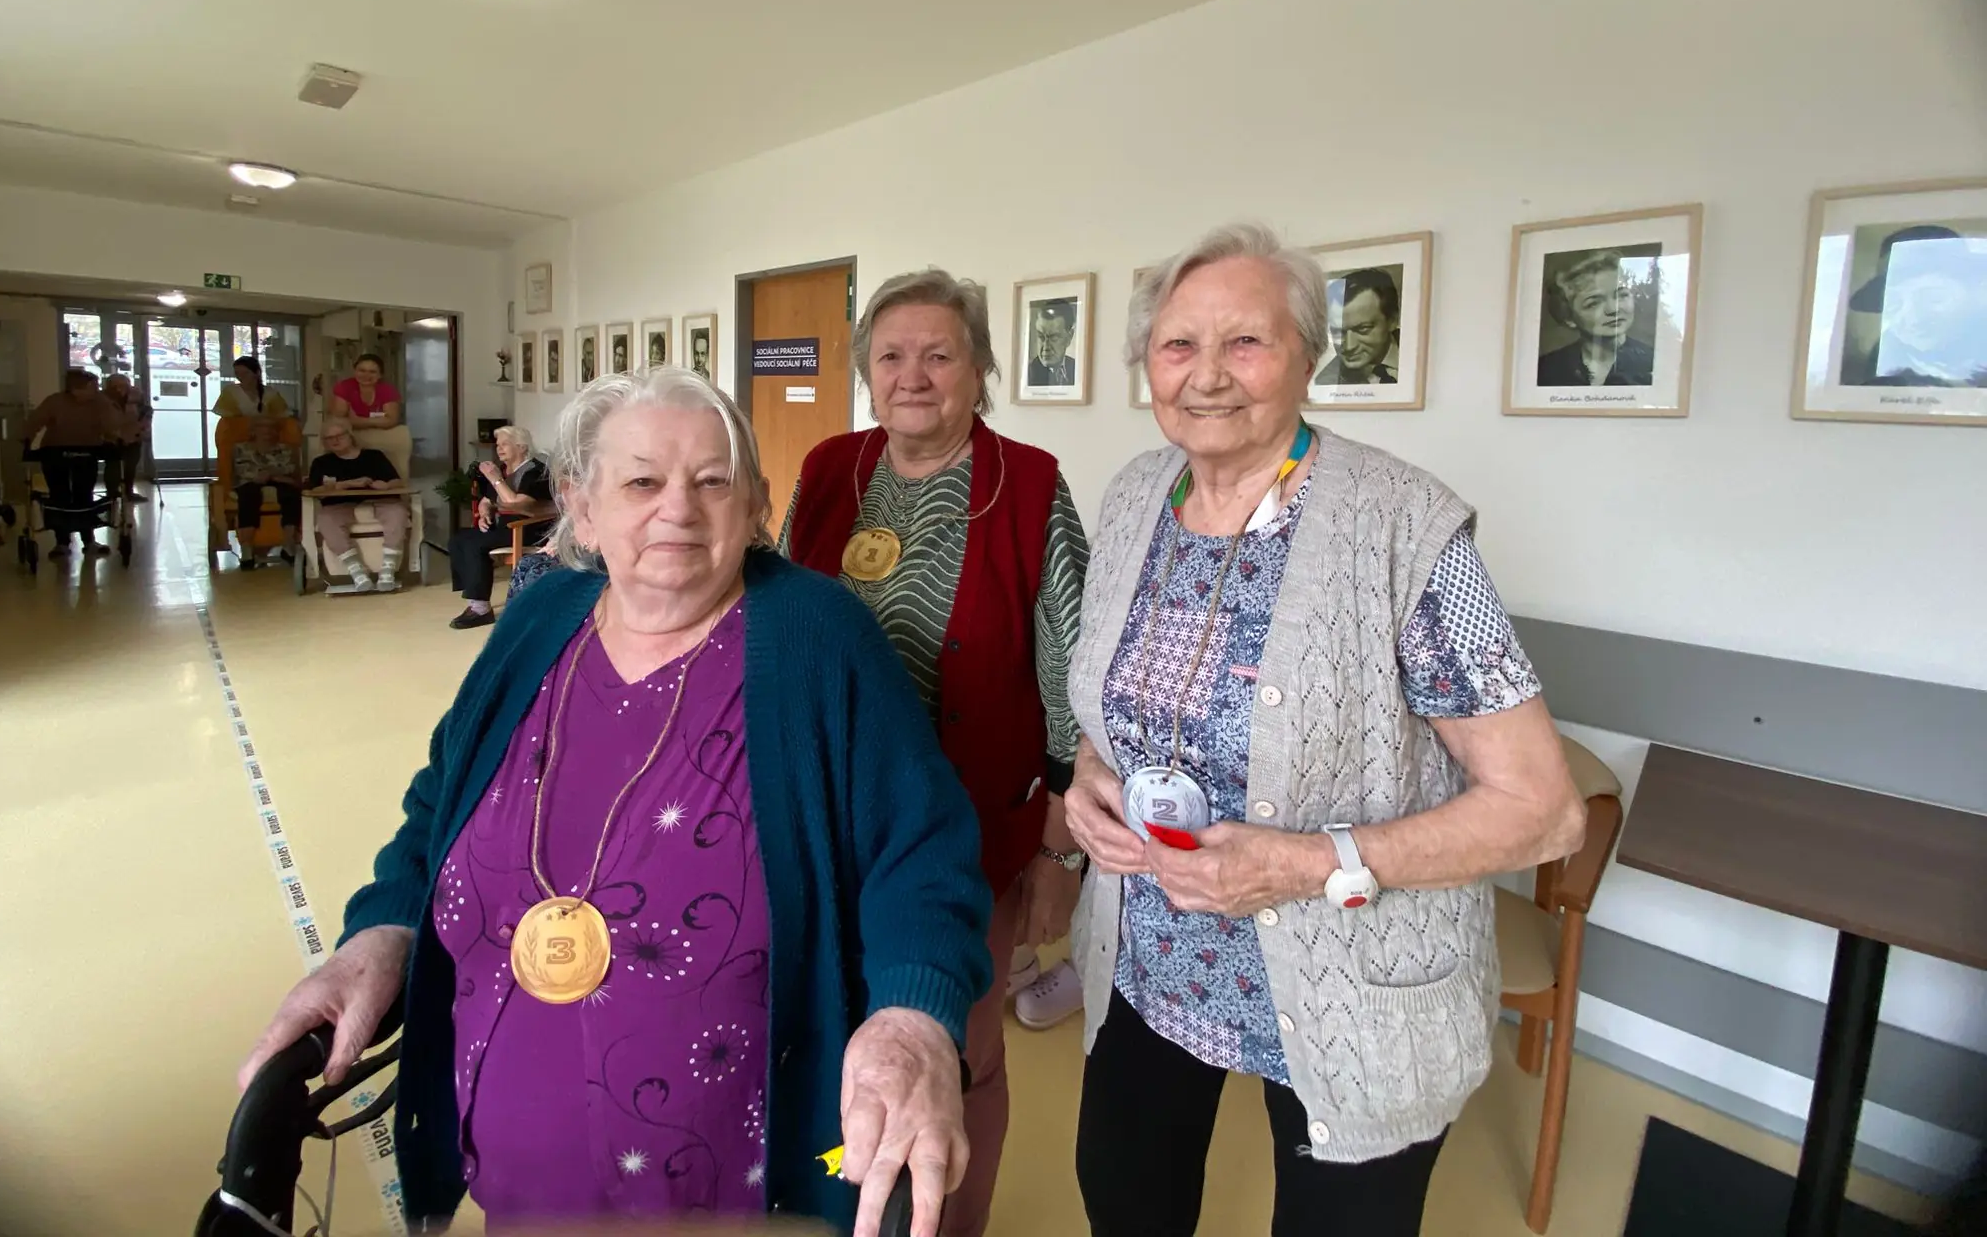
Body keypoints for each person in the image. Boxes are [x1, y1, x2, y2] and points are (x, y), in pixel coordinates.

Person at [239, 367, 991, 1234]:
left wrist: (913, 1018)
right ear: (581, 508)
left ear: (755, 505)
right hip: (518, 1192)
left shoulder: (819, 637)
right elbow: (442, 800)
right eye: (641, 482)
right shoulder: (538, 620)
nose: (679, 509)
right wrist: (381, 932)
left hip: (744, 1193)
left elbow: (923, 851)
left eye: (713, 481)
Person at [1064, 224, 1585, 1237]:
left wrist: (1306, 865)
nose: (1207, 375)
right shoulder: (1134, 498)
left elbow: (1544, 811)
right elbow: (1117, 707)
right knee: (1123, 1200)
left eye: (1245, 342)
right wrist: (1092, 774)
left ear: (1307, 356)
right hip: (1148, 956)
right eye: (1177, 346)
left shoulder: (1405, 528)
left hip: (1353, 986)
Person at [779, 268, 1089, 1237]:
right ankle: (844, 1200)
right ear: (866, 372)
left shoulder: (1027, 484)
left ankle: (948, 1224)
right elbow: (779, 624)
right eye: (890, 356)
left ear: (980, 369)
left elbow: (1072, 672)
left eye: (938, 355)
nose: (911, 376)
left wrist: (1060, 848)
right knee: (837, 1030)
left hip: (969, 836)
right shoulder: (828, 469)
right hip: (829, 824)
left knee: (956, 1050)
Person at [1840, 224, 1987, 387]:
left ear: (1973, 293)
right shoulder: (1879, 371)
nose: (1914, 319)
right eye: (1894, 304)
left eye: (1933, 298)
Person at [447, 425, 557, 629]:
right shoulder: (504, 470)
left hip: (529, 528)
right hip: (504, 528)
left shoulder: (535, 471)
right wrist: (484, 512)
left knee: (474, 544)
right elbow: (486, 500)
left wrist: (495, 479)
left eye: (505, 444)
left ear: (522, 447)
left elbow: (516, 503)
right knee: (459, 538)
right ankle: (474, 599)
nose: (499, 449)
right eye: (498, 445)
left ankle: (480, 610)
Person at [22, 369, 117, 558]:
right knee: (59, 496)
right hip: (55, 452)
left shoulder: (100, 403)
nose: (96, 390)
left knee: (84, 495)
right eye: (92, 387)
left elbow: (112, 425)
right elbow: (35, 422)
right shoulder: (55, 401)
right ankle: (62, 542)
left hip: (88, 452)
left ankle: (89, 541)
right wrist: (26, 440)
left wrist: (113, 439)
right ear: (76, 389)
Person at [308, 419, 408, 594]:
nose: (335, 441)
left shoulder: (374, 456)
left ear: (350, 436)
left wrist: (386, 486)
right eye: (329, 438)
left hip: (380, 499)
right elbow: (315, 490)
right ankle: (357, 571)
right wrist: (345, 484)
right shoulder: (321, 462)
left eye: (339, 436)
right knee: (326, 519)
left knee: (397, 513)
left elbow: (397, 482)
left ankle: (388, 569)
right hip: (339, 503)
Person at [1535, 249, 1655, 387]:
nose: (1613, 309)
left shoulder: (1656, 362)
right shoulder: (1545, 369)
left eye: (1622, 295)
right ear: (1568, 317)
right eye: (1594, 303)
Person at [232, 415, 302, 565]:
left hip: (280, 481)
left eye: (271, 427)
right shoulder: (241, 448)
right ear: (253, 431)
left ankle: (288, 543)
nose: (267, 431)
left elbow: (290, 468)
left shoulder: (285, 449)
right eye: (262, 427)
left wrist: (269, 475)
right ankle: (247, 547)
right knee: (249, 495)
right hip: (251, 482)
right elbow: (242, 470)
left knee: (291, 494)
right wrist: (271, 474)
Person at [1314, 267, 1400, 386]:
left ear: (1393, 321)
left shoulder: (1421, 355)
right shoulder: (1325, 383)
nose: (1349, 347)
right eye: (1338, 332)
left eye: (1363, 329)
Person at [100, 373, 152, 504]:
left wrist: (143, 429)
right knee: (113, 465)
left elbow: (146, 411)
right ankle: (112, 493)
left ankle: (128, 491)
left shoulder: (136, 395)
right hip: (110, 437)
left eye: (124, 385)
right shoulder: (102, 398)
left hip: (133, 434)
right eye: (116, 386)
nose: (120, 389)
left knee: (131, 465)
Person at [329, 353, 403, 431]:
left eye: (372, 372)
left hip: (381, 432)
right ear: (355, 371)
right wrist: (378, 420)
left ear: (380, 375)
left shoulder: (388, 390)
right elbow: (339, 419)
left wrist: (358, 421)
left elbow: (391, 421)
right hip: (352, 432)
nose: (366, 375)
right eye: (362, 371)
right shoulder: (344, 387)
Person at [215, 356, 291, 419]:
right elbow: (226, 421)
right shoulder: (230, 391)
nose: (240, 376)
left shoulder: (270, 393)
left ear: (257, 373)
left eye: (245, 373)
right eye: (237, 373)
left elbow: (283, 417)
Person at [1027, 300, 1078, 388]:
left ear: (1069, 337)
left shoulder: (1076, 368)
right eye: (1041, 336)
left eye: (1053, 337)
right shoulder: (1029, 375)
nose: (1046, 347)